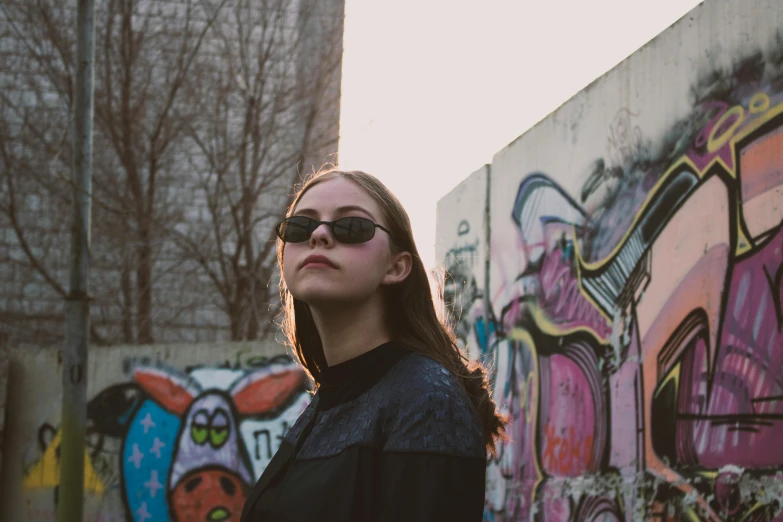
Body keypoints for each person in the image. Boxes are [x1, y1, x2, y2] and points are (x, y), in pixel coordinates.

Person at [240, 169, 507, 522]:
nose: (319, 235)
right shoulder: (330, 398)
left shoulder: (426, 398)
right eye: (300, 228)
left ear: (397, 267)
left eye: (351, 227)